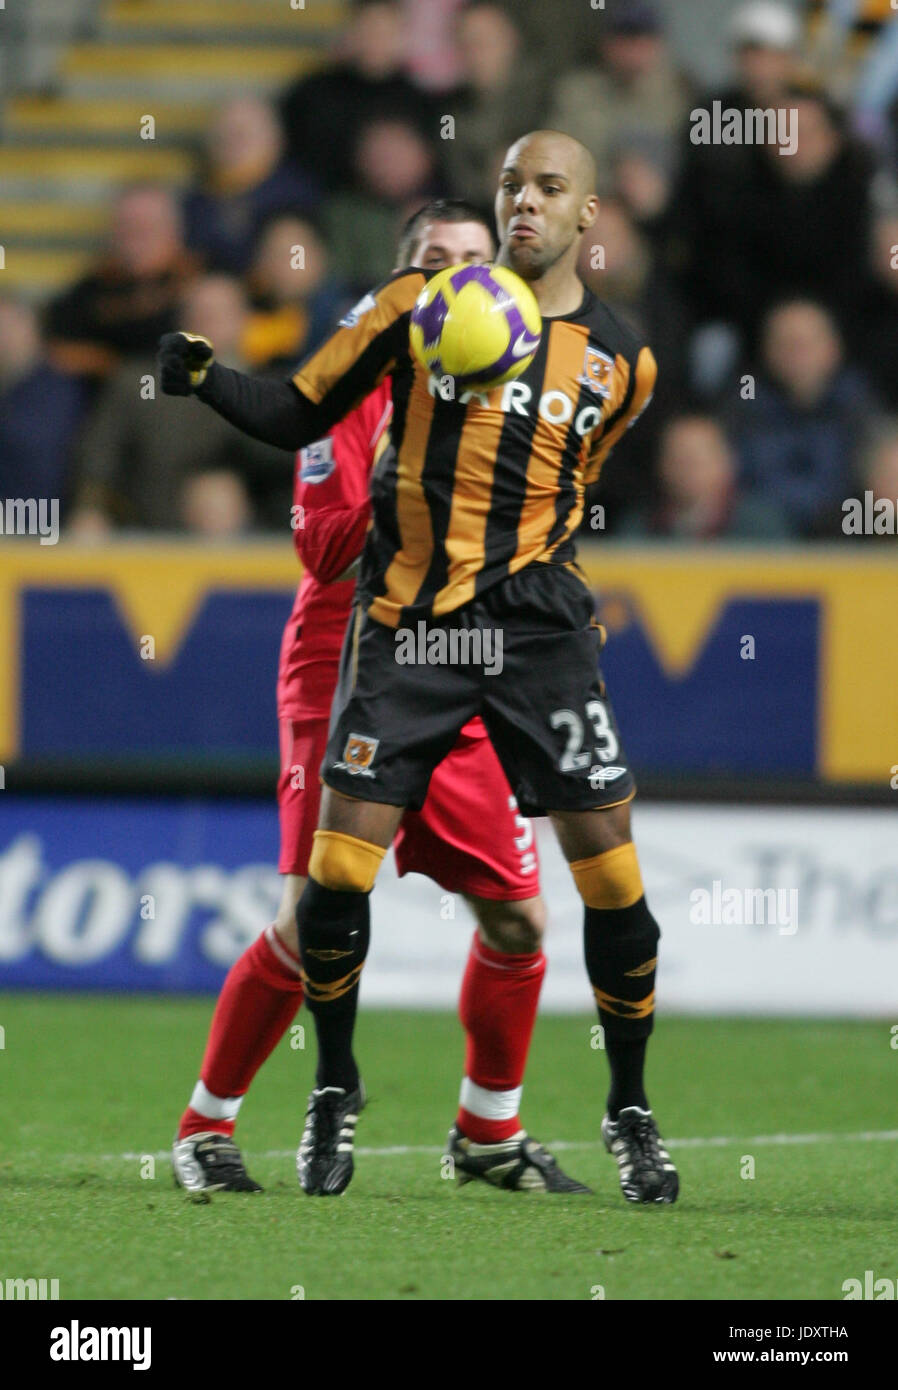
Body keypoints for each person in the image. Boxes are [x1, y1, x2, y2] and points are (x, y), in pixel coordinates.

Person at [158, 130, 679, 1207]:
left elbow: (564, 489)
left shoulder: (593, 360)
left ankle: (489, 1131)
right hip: (359, 644)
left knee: (519, 916)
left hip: (502, 648)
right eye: (434, 264)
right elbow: (318, 540)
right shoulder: (373, 372)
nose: (457, 280)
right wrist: (416, 487)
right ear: (405, 279)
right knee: (314, 915)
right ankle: (211, 1120)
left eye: (468, 259)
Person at [725, 299, 879, 538]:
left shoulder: (862, 405)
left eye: (805, 344)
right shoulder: (743, 403)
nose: (796, 353)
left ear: (833, 347)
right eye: (786, 343)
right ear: (767, 350)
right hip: (757, 541)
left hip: (847, 538)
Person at [180, 96, 318, 277]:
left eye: (244, 133)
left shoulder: (297, 196)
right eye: (226, 132)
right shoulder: (195, 200)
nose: (233, 140)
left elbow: (300, 272)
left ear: (276, 140)